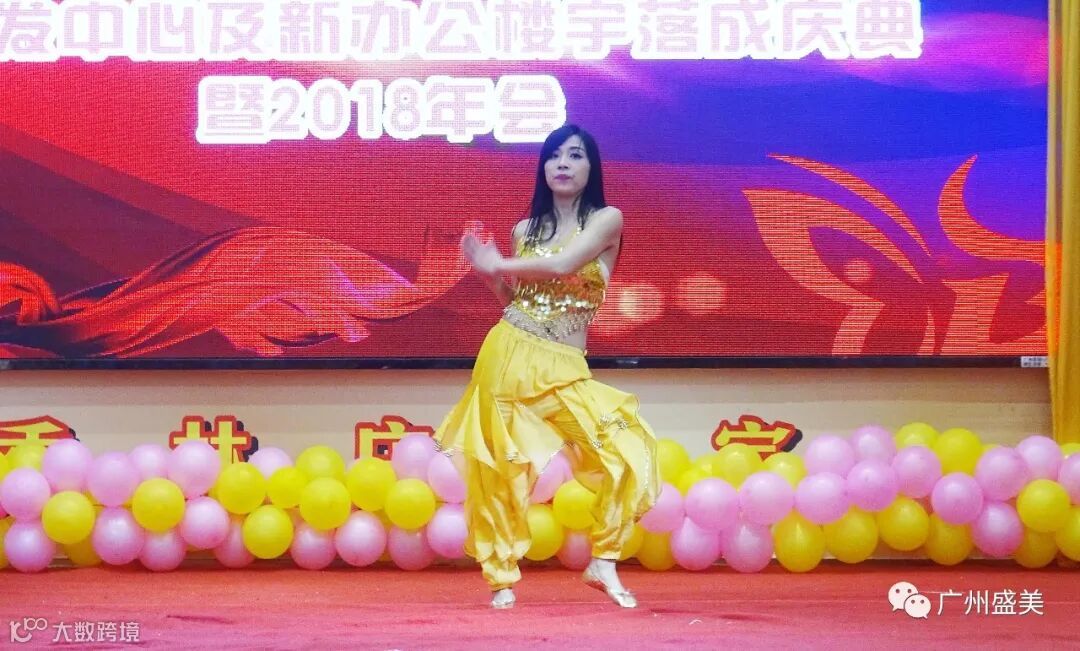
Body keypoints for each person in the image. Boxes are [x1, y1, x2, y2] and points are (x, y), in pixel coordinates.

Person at [433, 124, 660, 609]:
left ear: (591, 167)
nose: (562, 164)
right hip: (509, 351)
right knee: (500, 469)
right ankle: (501, 578)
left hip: (565, 364)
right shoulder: (525, 231)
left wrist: (496, 264)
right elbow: (515, 297)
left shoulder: (607, 220)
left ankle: (604, 559)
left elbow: (562, 265)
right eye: (554, 155)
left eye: (575, 155)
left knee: (625, 452)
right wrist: (489, 275)